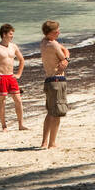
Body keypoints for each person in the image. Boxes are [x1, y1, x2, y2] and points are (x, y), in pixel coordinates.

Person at [0, 24, 26, 131]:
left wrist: (19, 74)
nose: (12, 36)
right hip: (1, 77)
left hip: (11, 76)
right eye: (10, 34)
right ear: (4, 34)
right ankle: (3, 125)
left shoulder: (13, 46)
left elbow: (21, 60)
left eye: (12, 34)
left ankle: (21, 124)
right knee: (2, 101)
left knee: (18, 100)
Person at [40, 19, 69, 149]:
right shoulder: (53, 45)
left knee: (50, 112)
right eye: (56, 31)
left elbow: (64, 52)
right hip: (57, 80)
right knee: (57, 113)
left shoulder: (44, 42)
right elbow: (64, 58)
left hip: (49, 80)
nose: (58, 32)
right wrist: (66, 58)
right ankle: (52, 143)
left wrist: (66, 57)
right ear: (51, 33)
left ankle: (44, 141)